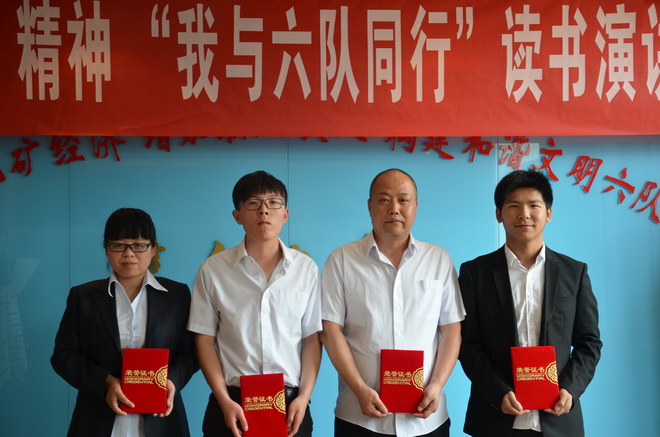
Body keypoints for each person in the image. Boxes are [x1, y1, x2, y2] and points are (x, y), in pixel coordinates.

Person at [321, 168, 465, 437]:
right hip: (359, 417)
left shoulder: (438, 260)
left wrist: (436, 385)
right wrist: (360, 389)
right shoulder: (341, 260)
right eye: (384, 200)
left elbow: (451, 329)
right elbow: (330, 331)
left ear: (415, 206)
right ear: (370, 206)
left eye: (403, 200)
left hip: (426, 418)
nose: (394, 209)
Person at [458, 169, 602, 437]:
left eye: (534, 205)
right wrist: (498, 393)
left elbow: (589, 342)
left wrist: (569, 389)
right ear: (499, 214)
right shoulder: (474, 273)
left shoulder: (574, 273)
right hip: (495, 419)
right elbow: (468, 344)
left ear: (548, 213)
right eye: (513, 206)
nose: (524, 214)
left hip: (558, 420)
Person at [188, 170, 322, 437]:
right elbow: (204, 340)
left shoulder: (305, 269)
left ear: (285, 214)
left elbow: (311, 339)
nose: (264, 211)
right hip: (231, 405)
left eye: (273, 202)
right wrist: (224, 399)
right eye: (253, 203)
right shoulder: (213, 270)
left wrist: (304, 397)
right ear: (237, 215)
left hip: (290, 407)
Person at [51, 208, 198, 437]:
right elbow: (63, 356)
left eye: (138, 245)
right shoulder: (83, 296)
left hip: (162, 421)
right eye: (118, 245)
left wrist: (172, 380)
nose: (129, 254)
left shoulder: (177, 295)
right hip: (97, 419)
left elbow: (191, 353)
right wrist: (105, 381)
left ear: (153, 249)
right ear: (106, 249)